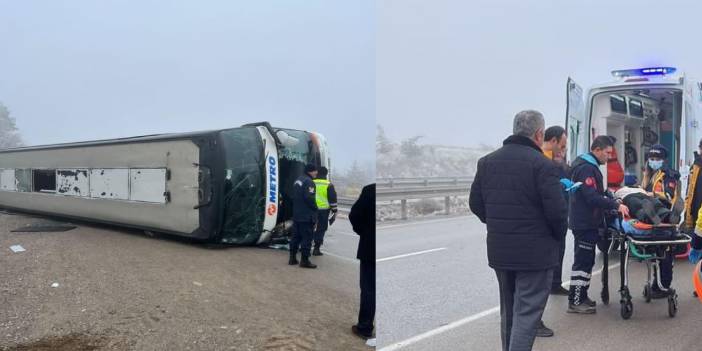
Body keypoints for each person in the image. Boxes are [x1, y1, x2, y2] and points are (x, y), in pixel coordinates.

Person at [469, 110, 568, 351]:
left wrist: (497, 224)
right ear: (539, 134)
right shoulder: (543, 166)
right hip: (536, 255)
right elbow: (557, 213)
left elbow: (475, 203)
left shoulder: (487, 162)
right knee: (527, 315)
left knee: (510, 311)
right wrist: (555, 238)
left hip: (501, 251)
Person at [568, 136, 630, 314]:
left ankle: (581, 296)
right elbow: (591, 197)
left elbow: (596, 192)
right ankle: (576, 300)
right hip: (584, 223)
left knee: (586, 261)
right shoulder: (586, 168)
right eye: (607, 152)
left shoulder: (588, 167)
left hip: (586, 222)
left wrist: (609, 195)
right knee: (582, 262)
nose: (608, 156)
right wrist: (615, 205)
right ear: (596, 150)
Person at [641, 144, 682, 298]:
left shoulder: (668, 175)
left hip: (665, 217)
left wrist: (654, 195)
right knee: (655, 254)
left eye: (657, 158)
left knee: (664, 254)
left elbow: (670, 196)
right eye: (651, 158)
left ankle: (663, 286)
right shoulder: (650, 175)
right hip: (653, 222)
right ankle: (656, 284)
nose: (653, 161)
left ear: (664, 160)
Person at [542, 126, 570, 297]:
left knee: (559, 249)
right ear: (553, 141)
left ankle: (555, 283)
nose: (563, 150)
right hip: (548, 216)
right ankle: (550, 284)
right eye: (562, 146)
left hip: (560, 211)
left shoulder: (556, 160)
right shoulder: (542, 161)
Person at [350, 183, 375, 340]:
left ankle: (365, 327)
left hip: (370, 248)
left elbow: (354, 215)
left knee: (369, 289)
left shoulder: (370, 190)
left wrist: (365, 233)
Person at [289, 164, 319, 269]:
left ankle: (292, 258)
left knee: (295, 237)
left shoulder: (298, 180)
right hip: (306, 216)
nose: (316, 173)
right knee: (307, 238)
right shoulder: (309, 182)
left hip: (297, 214)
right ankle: (305, 261)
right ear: (310, 171)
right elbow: (309, 198)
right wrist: (316, 208)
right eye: (315, 171)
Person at [312, 167, 338, 256]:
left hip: (311, 209)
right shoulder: (329, 185)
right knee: (321, 229)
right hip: (323, 211)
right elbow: (332, 199)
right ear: (326, 174)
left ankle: (303, 246)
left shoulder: (311, 182)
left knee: (309, 227)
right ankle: (316, 248)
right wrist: (334, 210)